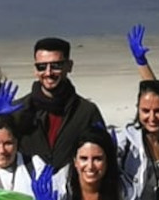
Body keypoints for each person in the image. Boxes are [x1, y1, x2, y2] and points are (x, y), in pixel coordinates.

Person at [19, 37, 106, 169]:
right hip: (25, 188)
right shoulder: (19, 110)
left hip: (73, 187)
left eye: (56, 66)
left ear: (69, 66)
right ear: (35, 69)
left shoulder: (86, 112)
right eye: (42, 67)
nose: (48, 73)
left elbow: (103, 156)